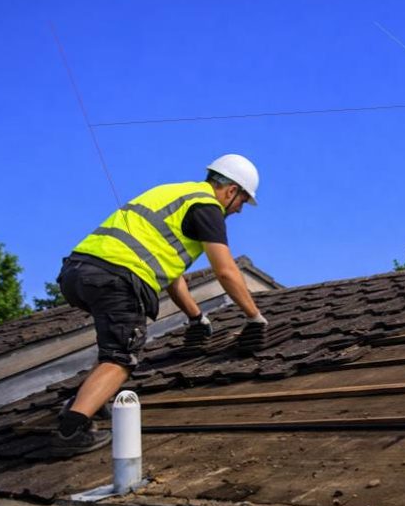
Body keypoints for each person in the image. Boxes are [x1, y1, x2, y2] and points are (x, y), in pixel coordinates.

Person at [51, 154, 269, 456]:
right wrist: (255, 317)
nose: (240, 210)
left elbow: (171, 274)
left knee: (114, 340)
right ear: (231, 190)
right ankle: (72, 427)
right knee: (121, 358)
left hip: (77, 273)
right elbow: (225, 270)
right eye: (242, 201)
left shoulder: (172, 193)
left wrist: (196, 317)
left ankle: (87, 399)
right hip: (116, 277)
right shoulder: (207, 207)